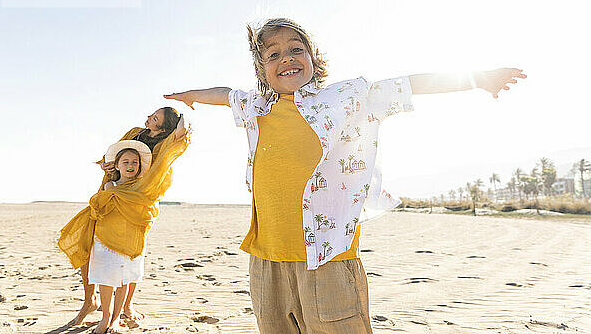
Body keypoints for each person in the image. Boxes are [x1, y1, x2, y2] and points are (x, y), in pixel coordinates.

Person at [164, 17, 526, 333]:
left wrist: (478, 78)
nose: (286, 58)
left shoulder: (344, 99)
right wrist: (193, 95)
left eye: (296, 48)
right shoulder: (257, 107)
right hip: (265, 258)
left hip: (327, 255)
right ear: (262, 70)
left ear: (313, 58)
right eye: (272, 54)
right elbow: (226, 94)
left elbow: (406, 85)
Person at [58, 108, 189, 330]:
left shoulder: (163, 145)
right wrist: (106, 166)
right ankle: (90, 301)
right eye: (151, 115)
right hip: (112, 192)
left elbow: (179, 138)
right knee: (90, 245)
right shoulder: (135, 133)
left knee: (130, 252)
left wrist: (184, 107)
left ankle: (126, 306)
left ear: (164, 128)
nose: (148, 118)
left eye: (155, 118)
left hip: (138, 201)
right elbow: (109, 157)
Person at [87, 140, 152, 333]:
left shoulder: (142, 187)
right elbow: (102, 210)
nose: (131, 165)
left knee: (124, 279)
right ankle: (105, 317)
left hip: (130, 240)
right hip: (106, 239)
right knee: (106, 279)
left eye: (134, 162)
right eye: (126, 162)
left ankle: (116, 318)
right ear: (116, 165)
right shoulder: (109, 185)